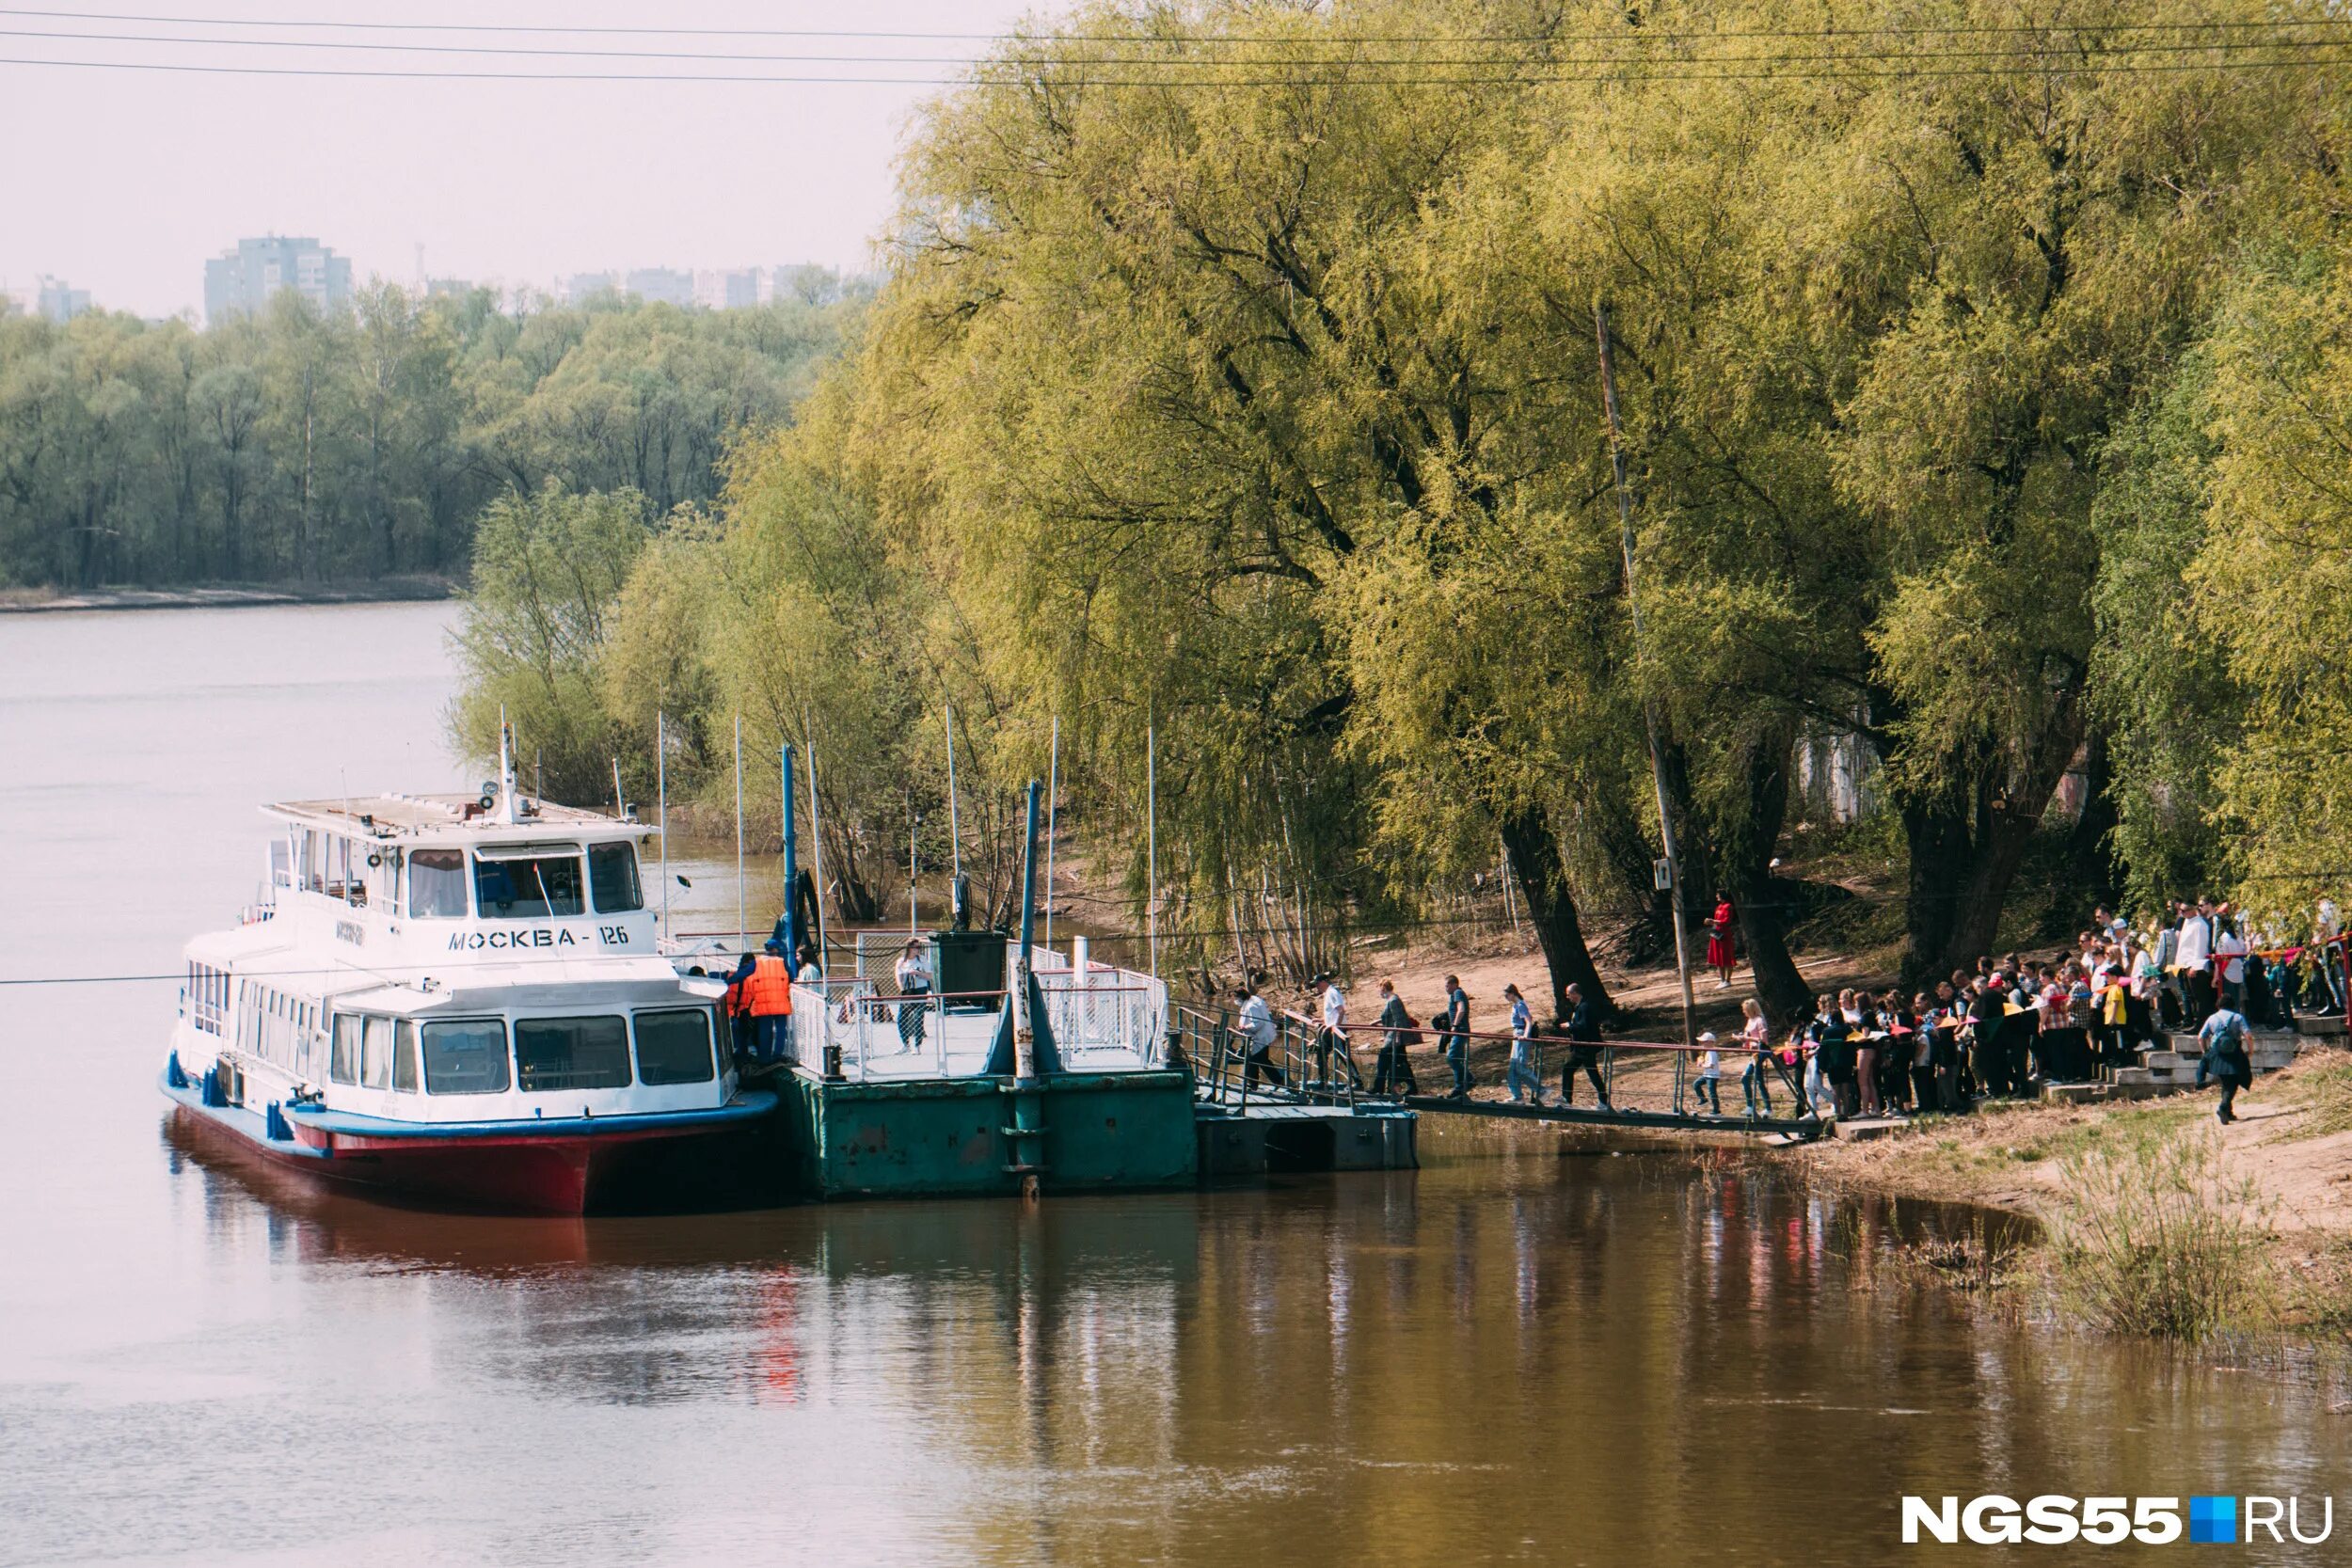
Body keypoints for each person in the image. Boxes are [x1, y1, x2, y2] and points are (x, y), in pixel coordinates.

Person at [724, 938, 795, 1065]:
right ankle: (778, 1054)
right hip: (781, 1001)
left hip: (764, 1002)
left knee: (765, 1031)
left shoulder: (757, 962)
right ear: (776, 950)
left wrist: (727, 981)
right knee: (780, 1029)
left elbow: (742, 974)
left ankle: (764, 1058)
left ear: (766, 949)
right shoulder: (782, 962)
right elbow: (791, 977)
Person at [2195, 1001, 2256, 1125]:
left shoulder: (2212, 1018)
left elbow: (2201, 1037)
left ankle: (2228, 1112)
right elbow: (2248, 1035)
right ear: (2232, 1006)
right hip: (2235, 1054)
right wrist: (2250, 1050)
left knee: (2227, 1082)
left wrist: (2205, 1051)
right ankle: (2223, 1108)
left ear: (2218, 1006)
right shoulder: (2238, 1017)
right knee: (2232, 1083)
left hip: (2217, 1055)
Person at [1558, 982, 1611, 1110]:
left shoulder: (1585, 1007)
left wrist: (1569, 1026)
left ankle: (1567, 1099)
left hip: (1585, 1048)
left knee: (1570, 1068)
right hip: (1582, 1048)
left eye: (1568, 994)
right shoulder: (1580, 1007)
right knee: (1589, 1073)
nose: (1567, 997)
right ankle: (1602, 1101)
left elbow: (1584, 1027)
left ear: (1575, 993)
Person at [1372, 978, 1419, 1098]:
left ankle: (1378, 1088)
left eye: (1379, 990)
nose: (1379, 993)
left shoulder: (1393, 1000)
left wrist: (1397, 1037)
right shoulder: (1392, 1000)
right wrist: (1377, 1022)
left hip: (1394, 1038)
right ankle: (1410, 1087)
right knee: (1402, 1063)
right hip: (1394, 1037)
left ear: (1384, 988)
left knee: (1383, 1061)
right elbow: (1393, 1017)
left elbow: (1399, 1020)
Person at [1232, 983, 1285, 1089]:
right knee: (1260, 1059)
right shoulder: (1250, 1001)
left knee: (1254, 1058)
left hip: (1260, 1036)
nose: (1235, 1001)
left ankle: (1254, 1084)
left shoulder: (1251, 1006)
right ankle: (1275, 1081)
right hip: (1260, 1036)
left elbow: (1258, 1023)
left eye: (1236, 998)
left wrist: (1245, 1027)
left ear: (1241, 997)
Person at [1502, 984, 1547, 1106]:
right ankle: (1517, 1096)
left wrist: (1525, 1036)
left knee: (1520, 1067)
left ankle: (1542, 1090)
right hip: (1517, 1033)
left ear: (1512, 993)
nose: (1505, 997)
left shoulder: (1520, 1005)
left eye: (1506, 994)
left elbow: (1528, 1021)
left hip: (1521, 1034)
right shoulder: (1516, 1005)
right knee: (1513, 1067)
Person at [1316, 973, 1361, 1089]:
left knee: (1341, 1055)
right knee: (1322, 1052)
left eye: (1317, 984)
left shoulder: (1332, 993)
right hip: (1331, 1028)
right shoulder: (1328, 993)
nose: (1317, 987)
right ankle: (1323, 1080)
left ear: (1323, 982)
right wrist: (1322, 1020)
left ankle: (1357, 1081)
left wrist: (1336, 1027)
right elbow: (1333, 1013)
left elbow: (1341, 1011)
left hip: (1335, 1030)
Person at [894, 937, 932, 1053]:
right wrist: (903, 989)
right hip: (908, 990)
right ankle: (905, 1044)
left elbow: (929, 976)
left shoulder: (922, 959)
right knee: (901, 1018)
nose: (918, 950)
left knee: (918, 1017)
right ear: (909, 948)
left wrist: (917, 973)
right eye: (916, 947)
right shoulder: (901, 961)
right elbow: (898, 977)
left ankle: (917, 1046)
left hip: (920, 989)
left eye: (919, 947)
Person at [1739, 999, 1775, 1117]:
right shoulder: (1750, 1021)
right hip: (1753, 1053)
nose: (1744, 1012)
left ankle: (1768, 1108)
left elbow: (1763, 1040)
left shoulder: (1760, 1020)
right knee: (1745, 1079)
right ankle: (1750, 1106)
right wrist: (1743, 1039)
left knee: (1759, 1081)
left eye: (1745, 1010)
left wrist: (1748, 1039)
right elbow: (1748, 1035)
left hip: (1760, 1053)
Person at [1440, 974, 1473, 1100]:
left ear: (1454, 984)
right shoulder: (1455, 994)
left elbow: (1462, 1009)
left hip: (1460, 1030)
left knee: (1452, 1058)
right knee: (1456, 1059)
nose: (1446, 988)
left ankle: (1468, 1079)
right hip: (1459, 1030)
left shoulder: (1458, 993)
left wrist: (1455, 1024)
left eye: (1447, 985)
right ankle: (1459, 1087)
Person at [1706, 897, 1738, 989]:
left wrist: (1713, 921)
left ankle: (1728, 980)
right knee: (1718, 957)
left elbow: (1727, 921)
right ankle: (1722, 980)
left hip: (1725, 933)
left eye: (1718, 894)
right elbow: (1716, 921)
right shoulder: (1719, 906)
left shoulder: (1728, 906)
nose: (1716, 896)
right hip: (1717, 932)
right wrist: (1711, 923)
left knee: (1727, 956)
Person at [1691, 1029, 1723, 1114]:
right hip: (1707, 1074)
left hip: (1712, 1076)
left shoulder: (1712, 1052)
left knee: (1712, 1093)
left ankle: (1716, 1110)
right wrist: (1701, 1062)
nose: (1702, 1044)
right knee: (1696, 1084)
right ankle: (1703, 1099)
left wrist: (1702, 1065)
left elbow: (1711, 1066)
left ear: (1710, 1042)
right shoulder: (1707, 1052)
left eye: (1704, 1042)